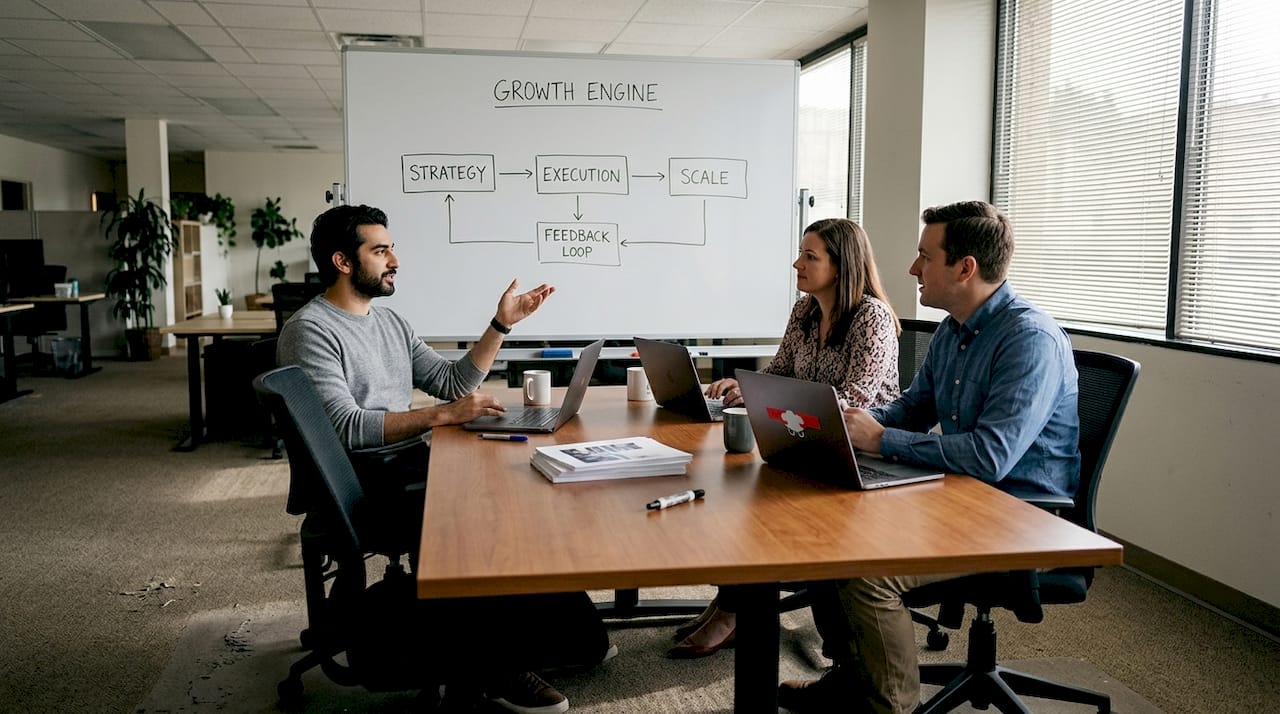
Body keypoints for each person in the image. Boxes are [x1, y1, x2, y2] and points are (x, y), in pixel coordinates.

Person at [278, 204, 607, 714]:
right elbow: (345, 427)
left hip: (405, 464)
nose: (395, 261)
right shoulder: (312, 330)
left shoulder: (388, 321)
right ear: (343, 261)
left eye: (392, 248)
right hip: (364, 483)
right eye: (380, 250)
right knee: (489, 518)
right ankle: (497, 669)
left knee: (516, 489)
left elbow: (452, 383)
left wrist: (500, 324)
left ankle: (552, 633)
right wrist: (442, 417)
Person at [778, 201, 1080, 714]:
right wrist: (852, 425)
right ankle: (851, 679)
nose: (912, 269)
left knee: (871, 575)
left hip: (1017, 515)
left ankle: (891, 707)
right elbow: (912, 409)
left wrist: (880, 441)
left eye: (924, 256)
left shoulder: (1028, 340)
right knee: (824, 534)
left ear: (965, 268)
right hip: (959, 495)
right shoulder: (953, 330)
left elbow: (990, 457)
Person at [668, 217, 902, 659]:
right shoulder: (805, 310)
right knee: (735, 490)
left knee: (757, 498)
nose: (797, 263)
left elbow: (854, 400)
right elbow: (780, 372)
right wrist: (745, 386)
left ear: (842, 265)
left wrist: (778, 404)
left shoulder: (872, 319)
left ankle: (736, 611)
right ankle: (732, 601)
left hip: (856, 451)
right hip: (803, 437)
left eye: (810, 256)